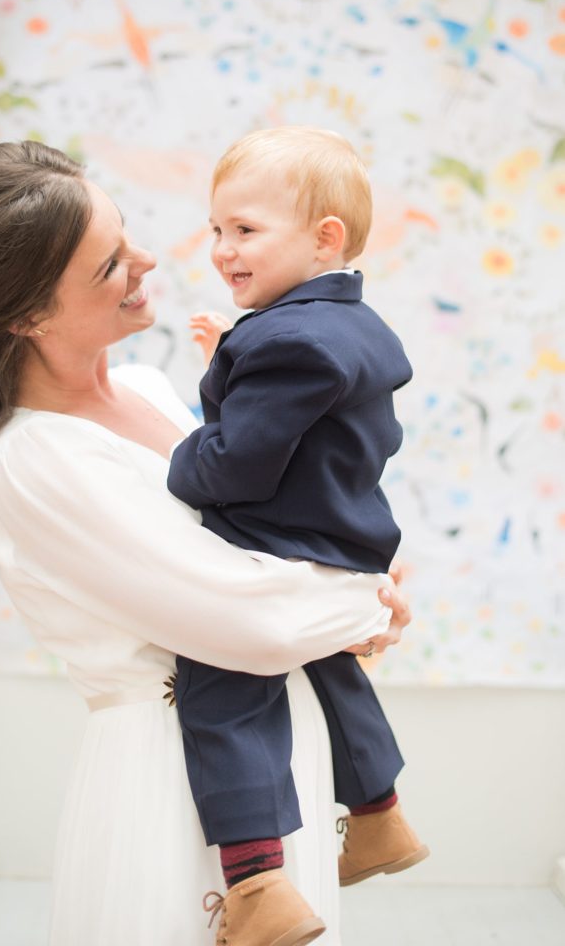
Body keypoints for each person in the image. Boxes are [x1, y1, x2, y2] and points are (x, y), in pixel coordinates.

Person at [0, 140, 411, 946]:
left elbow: (266, 551)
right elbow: (255, 620)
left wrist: (358, 596)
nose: (150, 259)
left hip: (281, 758)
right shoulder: (34, 461)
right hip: (176, 783)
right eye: (109, 263)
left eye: (128, 232)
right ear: (29, 315)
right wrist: (363, 597)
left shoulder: (146, 388)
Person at [167, 127, 429, 938]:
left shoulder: (285, 340)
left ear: (325, 239)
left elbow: (238, 464)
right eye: (215, 230)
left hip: (281, 550)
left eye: (244, 230)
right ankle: (381, 815)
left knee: (224, 694)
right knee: (333, 674)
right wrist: (230, 362)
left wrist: (182, 458)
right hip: (344, 549)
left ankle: (255, 888)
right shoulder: (350, 326)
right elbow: (309, 422)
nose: (220, 249)